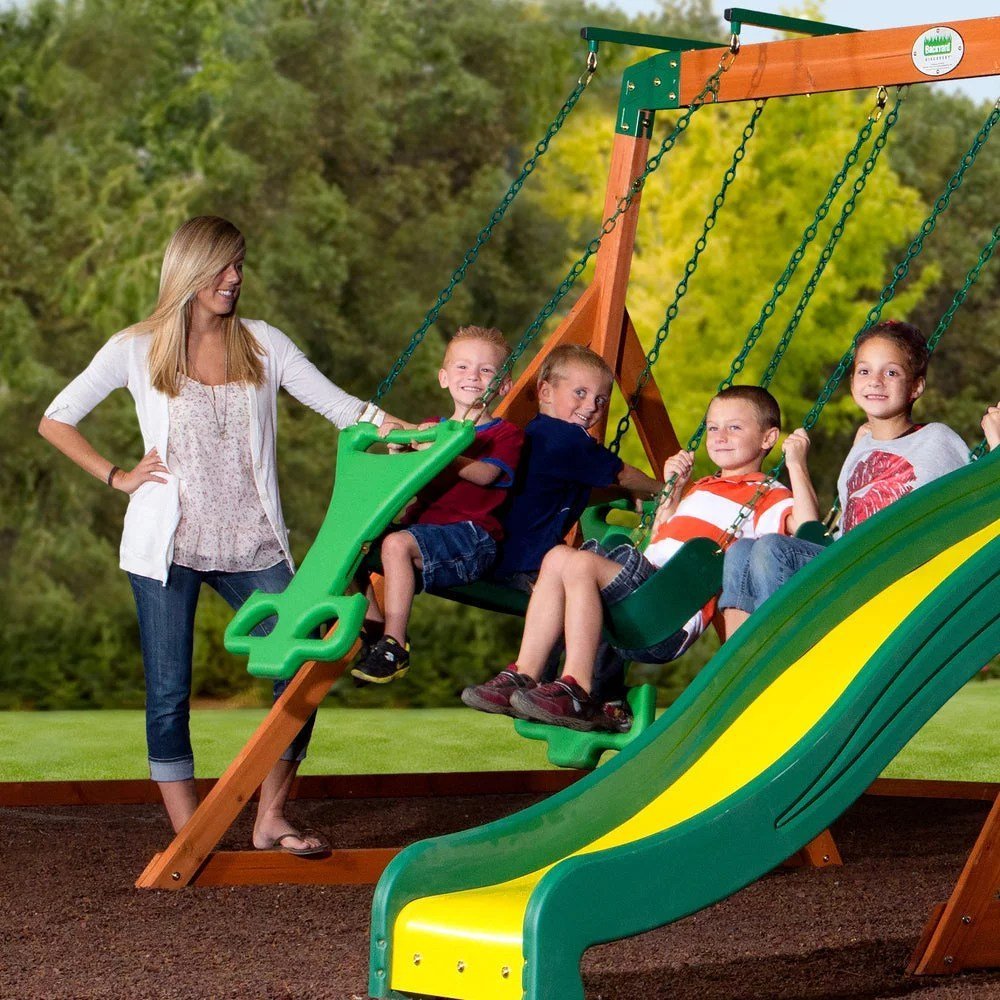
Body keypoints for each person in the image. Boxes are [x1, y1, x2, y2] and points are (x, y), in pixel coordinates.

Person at [39, 216, 401, 852]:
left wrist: (416, 434)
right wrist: (118, 476)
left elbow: (348, 411)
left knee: (302, 666)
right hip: (166, 548)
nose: (235, 277)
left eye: (240, 264)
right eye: (223, 265)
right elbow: (56, 419)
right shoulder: (136, 347)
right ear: (189, 269)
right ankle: (191, 837)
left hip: (253, 543)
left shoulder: (264, 344)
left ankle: (270, 818)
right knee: (168, 693)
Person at [463, 384, 817, 730]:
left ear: (768, 438)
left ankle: (577, 689)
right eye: (712, 428)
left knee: (581, 563)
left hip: (670, 611)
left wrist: (797, 464)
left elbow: (806, 528)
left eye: (734, 427)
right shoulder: (701, 487)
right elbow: (660, 537)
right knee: (556, 557)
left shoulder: (768, 494)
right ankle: (525, 674)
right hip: (642, 594)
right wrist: (672, 491)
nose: (720, 436)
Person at [718, 320, 971, 639]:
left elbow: (973, 497)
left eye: (891, 372)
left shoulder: (936, 440)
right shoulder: (860, 449)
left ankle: (785, 647)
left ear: (916, 387)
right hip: (847, 566)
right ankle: (742, 654)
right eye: (864, 371)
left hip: (892, 570)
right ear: (852, 382)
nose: (875, 381)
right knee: (741, 551)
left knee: (772, 548)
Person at [466, 344, 665, 730]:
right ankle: (603, 699)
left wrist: (626, 494)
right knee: (598, 600)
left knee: (573, 585)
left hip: (498, 555)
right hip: (526, 562)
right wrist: (663, 489)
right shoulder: (566, 439)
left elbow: (584, 491)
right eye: (580, 392)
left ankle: (530, 683)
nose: (591, 406)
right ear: (545, 391)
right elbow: (622, 474)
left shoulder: (538, 436)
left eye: (601, 399)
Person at [350, 326, 525, 684]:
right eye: (462, 367)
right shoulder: (430, 429)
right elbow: (406, 481)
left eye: (486, 370)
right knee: (352, 541)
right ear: (444, 378)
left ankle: (394, 645)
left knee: (396, 544)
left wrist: (436, 451)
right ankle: (377, 631)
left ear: (504, 385)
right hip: (423, 530)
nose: (473, 376)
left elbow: (486, 475)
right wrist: (399, 449)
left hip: (472, 539)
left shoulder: (505, 435)